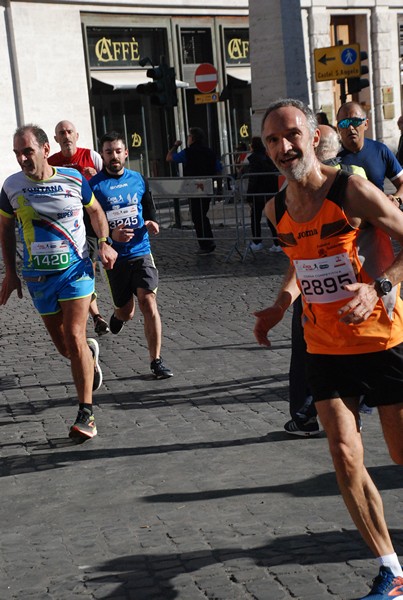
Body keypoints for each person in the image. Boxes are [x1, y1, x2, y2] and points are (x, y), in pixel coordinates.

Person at [255, 98, 403, 598]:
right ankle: (391, 569)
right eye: (272, 140)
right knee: (344, 454)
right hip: (324, 346)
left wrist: (379, 287)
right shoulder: (275, 209)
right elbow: (302, 261)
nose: (283, 147)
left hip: (383, 340)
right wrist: (280, 304)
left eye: (291, 135)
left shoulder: (350, 190)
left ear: (314, 136)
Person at [0, 124, 117, 441]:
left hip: (75, 272)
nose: (22, 158)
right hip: (38, 278)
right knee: (66, 347)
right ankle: (89, 358)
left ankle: (86, 415)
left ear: (44, 149)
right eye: (17, 153)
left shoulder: (74, 179)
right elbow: (5, 230)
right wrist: (10, 273)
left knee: (77, 335)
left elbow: (96, 213)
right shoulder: (11, 186)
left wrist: (105, 243)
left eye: (28, 151)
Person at [89, 131, 173, 379]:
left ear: (126, 153)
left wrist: (152, 221)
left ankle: (156, 361)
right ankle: (118, 316)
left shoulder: (138, 179)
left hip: (141, 251)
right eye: (108, 152)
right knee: (127, 312)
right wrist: (109, 237)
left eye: (117, 151)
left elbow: (149, 206)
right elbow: (89, 220)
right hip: (115, 257)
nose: (113, 156)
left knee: (149, 302)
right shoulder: (94, 186)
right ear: (102, 155)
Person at [48, 120, 110, 336]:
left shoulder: (91, 156)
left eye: (69, 132)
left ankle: (92, 314)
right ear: (56, 139)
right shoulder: (51, 162)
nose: (66, 136)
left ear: (77, 135)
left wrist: (95, 177)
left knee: (88, 266)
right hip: (64, 224)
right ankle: (94, 315)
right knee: (77, 267)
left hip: (90, 218)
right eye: (61, 133)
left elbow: (107, 185)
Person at [166, 127, 221, 255]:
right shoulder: (210, 152)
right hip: (206, 187)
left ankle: (206, 243)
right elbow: (218, 170)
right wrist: (219, 190)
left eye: (189, 137)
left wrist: (175, 145)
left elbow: (169, 158)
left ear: (192, 138)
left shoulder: (188, 152)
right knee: (202, 214)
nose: (188, 139)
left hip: (193, 188)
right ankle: (207, 241)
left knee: (197, 216)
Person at [337, 101, 403, 203]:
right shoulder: (333, 157)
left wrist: (397, 199)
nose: (350, 127)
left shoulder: (380, 150)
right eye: (344, 123)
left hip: (378, 216)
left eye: (355, 121)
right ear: (338, 128)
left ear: (366, 124)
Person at [244, 136, 281, 252]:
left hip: (258, 193)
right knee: (270, 218)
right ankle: (277, 242)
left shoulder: (254, 159)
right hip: (269, 191)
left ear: (252, 146)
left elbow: (253, 179)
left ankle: (257, 241)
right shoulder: (267, 157)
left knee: (255, 217)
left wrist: (249, 195)